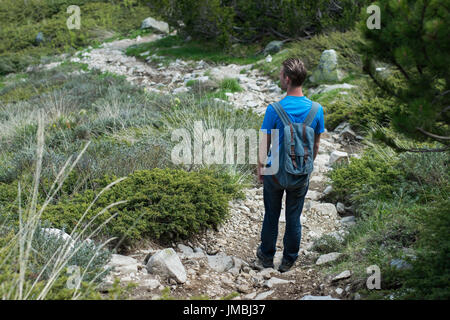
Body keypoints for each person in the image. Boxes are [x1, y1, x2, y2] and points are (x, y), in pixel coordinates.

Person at [256, 57, 325, 272]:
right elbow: (315, 146)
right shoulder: (316, 109)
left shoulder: (274, 109)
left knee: (271, 215)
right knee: (294, 216)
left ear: (287, 79)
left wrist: (260, 169)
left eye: (280, 74)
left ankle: (266, 257)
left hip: (274, 172)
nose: (279, 77)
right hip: (300, 172)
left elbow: (264, 144)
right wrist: (304, 167)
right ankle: (288, 260)